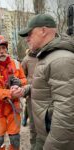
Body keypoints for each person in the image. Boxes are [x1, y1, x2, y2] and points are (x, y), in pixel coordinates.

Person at [19, 14, 74, 150]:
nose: (27, 39)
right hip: (43, 134)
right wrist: (25, 89)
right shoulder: (49, 56)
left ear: (43, 31)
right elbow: (46, 88)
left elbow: (66, 116)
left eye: (29, 34)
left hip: (52, 141)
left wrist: (52, 147)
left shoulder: (60, 59)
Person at [0, 35, 27, 150]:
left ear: (6, 49)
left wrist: (19, 83)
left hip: (14, 107)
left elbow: (24, 79)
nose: (2, 51)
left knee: (15, 139)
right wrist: (10, 93)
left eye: (3, 48)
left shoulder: (16, 64)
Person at [21, 49, 38, 150]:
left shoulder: (46, 56)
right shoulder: (26, 59)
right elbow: (22, 76)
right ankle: (34, 146)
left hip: (47, 96)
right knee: (33, 125)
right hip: (31, 95)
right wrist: (26, 89)